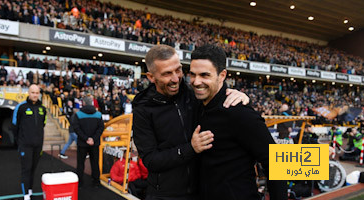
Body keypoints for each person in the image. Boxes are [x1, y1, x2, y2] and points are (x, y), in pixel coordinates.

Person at [132, 44, 249, 200]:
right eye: (167, 73)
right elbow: (151, 161)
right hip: (165, 195)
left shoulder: (201, 97)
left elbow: (275, 157)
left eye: (178, 70)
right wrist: (190, 148)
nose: (176, 79)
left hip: (203, 191)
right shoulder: (143, 109)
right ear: (151, 77)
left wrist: (241, 97)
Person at [189, 44, 287, 200]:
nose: (195, 81)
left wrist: (320, 158)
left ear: (222, 75)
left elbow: (275, 161)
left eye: (204, 75)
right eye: (192, 74)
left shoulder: (240, 113)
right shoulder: (196, 105)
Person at [12, 84, 46, 200]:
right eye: (33, 92)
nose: (35, 95)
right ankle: (26, 195)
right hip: (25, 145)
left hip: (38, 145)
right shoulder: (21, 107)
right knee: (26, 169)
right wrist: (20, 142)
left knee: (33, 169)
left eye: (37, 93)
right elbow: (14, 126)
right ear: (28, 93)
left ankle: (30, 190)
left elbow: (43, 125)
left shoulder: (43, 108)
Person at [71, 96, 104, 188]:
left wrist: (86, 138)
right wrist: (93, 138)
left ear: (84, 103)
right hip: (95, 143)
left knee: (81, 163)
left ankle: (80, 182)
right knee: (95, 162)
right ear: (92, 103)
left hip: (82, 143)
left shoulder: (78, 114)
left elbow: (76, 128)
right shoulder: (98, 114)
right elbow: (101, 128)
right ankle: (96, 182)